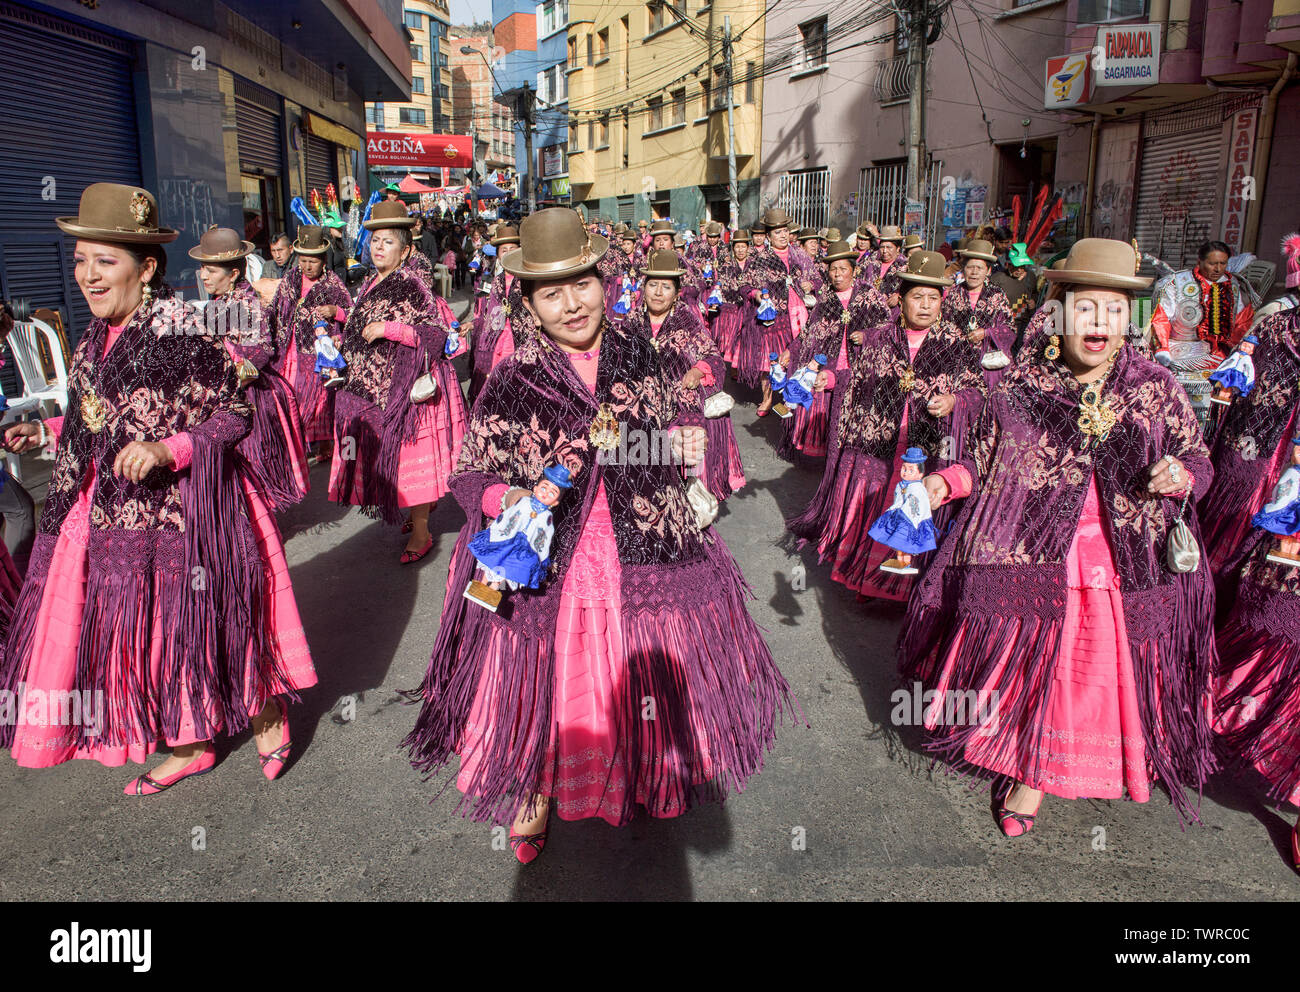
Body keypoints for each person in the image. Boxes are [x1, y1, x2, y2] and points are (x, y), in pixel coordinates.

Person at [403, 208, 796, 862]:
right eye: (550, 291)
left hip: (638, 543)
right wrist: (513, 497)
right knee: (541, 684)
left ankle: (636, 772)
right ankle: (531, 787)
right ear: (528, 301)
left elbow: (658, 441)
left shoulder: (636, 349)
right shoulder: (514, 375)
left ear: (603, 281)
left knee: (639, 672)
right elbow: (469, 475)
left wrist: (673, 461)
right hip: (547, 563)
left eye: (581, 283)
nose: (571, 302)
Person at [0, 182, 314, 791]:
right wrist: (47, 428)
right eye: (80, 261)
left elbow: (234, 414)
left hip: (188, 514)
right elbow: (103, 415)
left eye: (105, 261)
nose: (88, 276)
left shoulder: (180, 327)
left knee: (213, 621)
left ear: (146, 268)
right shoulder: (95, 337)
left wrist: (168, 448)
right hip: (112, 514)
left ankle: (266, 710)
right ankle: (191, 741)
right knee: (154, 633)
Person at [899, 237, 1216, 834]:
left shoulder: (1156, 389)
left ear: (1131, 319)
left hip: (1122, 566)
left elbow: (1199, 460)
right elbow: (988, 463)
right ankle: (1027, 773)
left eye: (1114, 311)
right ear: (1060, 314)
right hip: (1032, 554)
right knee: (1034, 670)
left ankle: (1043, 771)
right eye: (1086, 309)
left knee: (1085, 678)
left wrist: (1180, 475)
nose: (1098, 324)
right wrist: (943, 485)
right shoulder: (1024, 388)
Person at [786, 251, 984, 601]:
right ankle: (872, 581)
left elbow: (979, 390)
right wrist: (831, 377)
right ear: (903, 300)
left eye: (933, 298)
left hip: (928, 446)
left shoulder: (956, 344)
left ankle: (906, 590)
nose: (925, 305)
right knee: (880, 507)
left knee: (915, 509)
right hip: (879, 442)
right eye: (917, 297)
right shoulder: (880, 338)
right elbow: (857, 379)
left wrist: (955, 401)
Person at [327, 200, 466, 563]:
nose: (378, 247)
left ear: (405, 251)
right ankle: (416, 518)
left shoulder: (413, 286)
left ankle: (420, 531)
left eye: (387, 242)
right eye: (375, 240)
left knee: (410, 465)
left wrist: (391, 330)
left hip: (402, 396)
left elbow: (435, 336)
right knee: (397, 467)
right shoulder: (370, 282)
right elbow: (359, 327)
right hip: (370, 392)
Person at [192, 225, 309, 509]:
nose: (204, 276)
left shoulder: (246, 302)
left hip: (249, 397)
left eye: (212, 270)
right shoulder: (220, 300)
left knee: (251, 468)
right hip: (225, 391)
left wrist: (230, 381)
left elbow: (261, 351)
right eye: (203, 269)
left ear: (233, 274)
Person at [624, 249, 745, 501]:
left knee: (685, 478)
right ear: (643, 288)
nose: (658, 293)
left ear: (677, 293)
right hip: (643, 407)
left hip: (681, 405)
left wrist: (698, 369)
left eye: (666, 287)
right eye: (653, 285)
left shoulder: (687, 320)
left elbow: (713, 357)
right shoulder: (631, 321)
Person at [776, 241, 865, 461]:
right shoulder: (825, 297)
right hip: (827, 362)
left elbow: (884, 327)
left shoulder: (867, 295)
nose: (837, 275)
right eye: (833, 269)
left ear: (854, 271)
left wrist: (866, 335)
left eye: (843, 269)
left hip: (855, 365)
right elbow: (809, 332)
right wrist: (791, 349)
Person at [269, 225, 352, 464]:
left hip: (317, 355)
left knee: (318, 400)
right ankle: (296, 445)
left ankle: (322, 443)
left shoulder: (333, 284)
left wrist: (336, 311)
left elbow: (353, 315)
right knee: (291, 398)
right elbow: (276, 310)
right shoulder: (291, 279)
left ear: (323, 260)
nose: (306, 266)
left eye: (312, 262)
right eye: (303, 260)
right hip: (290, 350)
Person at [740, 208, 819, 416]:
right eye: (777, 232)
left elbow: (818, 279)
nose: (783, 235)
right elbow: (745, 286)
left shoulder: (800, 254)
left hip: (800, 315)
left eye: (785, 230)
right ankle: (767, 399)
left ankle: (791, 398)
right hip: (773, 319)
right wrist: (757, 295)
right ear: (768, 236)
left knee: (797, 358)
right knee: (770, 361)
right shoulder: (760, 259)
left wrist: (809, 285)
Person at [1150, 239, 1258, 364]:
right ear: (1199, 262)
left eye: (1223, 263)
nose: (1218, 269)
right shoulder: (1176, 282)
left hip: (1223, 355)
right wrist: (1162, 349)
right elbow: (1160, 319)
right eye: (1212, 264)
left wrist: (1240, 350)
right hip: (1179, 352)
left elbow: (1243, 321)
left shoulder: (1235, 285)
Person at [468, 226, 535, 401]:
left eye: (513, 249)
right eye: (504, 250)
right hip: (498, 338)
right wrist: (473, 325)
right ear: (498, 254)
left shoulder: (529, 277)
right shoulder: (497, 280)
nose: (508, 253)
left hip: (522, 337)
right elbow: (490, 314)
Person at [940, 238, 1015, 386]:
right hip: (958, 363)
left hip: (989, 365)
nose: (974, 272)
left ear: (988, 271)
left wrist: (987, 333)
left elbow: (1010, 329)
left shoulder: (997, 295)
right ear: (963, 269)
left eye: (979, 268)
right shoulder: (954, 294)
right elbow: (943, 325)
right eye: (970, 267)